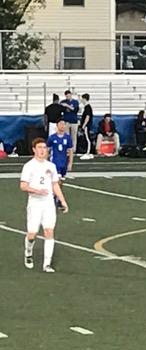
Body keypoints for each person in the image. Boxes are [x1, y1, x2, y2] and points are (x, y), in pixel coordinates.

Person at [20, 137, 69, 273]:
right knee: (32, 233)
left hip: (48, 203)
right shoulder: (29, 166)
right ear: (34, 150)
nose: (43, 150)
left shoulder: (51, 166)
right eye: (40, 148)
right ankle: (28, 252)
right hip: (35, 202)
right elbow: (23, 185)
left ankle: (47, 264)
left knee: (49, 231)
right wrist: (36, 190)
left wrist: (62, 200)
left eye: (44, 148)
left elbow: (55, 185)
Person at [46, 119, 73, 208]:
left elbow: (70, 151)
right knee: (57, 181)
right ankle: (55, 199)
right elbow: (47, 149)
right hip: (55, 163)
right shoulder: (52, 138)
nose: (62, 126)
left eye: (63, 124)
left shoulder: (67, 138)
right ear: (57, 126)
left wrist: (70, 163)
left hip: (63, 163)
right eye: (60, 124)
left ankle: (56, 197)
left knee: (61, 182)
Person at [79, 93, 94, 160]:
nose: (81, 100)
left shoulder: (88, 107)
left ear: (84, 99)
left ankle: (88, 153)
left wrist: (84, 125)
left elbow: (87, 117)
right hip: (86, 126)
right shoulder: (86, 107)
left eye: (82, 99)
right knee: (87, 138)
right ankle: (88, 152)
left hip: (86, 126)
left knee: (88, 139)